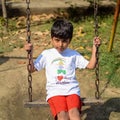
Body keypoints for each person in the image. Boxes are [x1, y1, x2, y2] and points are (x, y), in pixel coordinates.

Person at [25, 18, 101, 120]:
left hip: (72, 91)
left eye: (64, 41)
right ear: (52, 39)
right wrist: (30, 53)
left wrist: (95, 48)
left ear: (69, 40)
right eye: (57, 40)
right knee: (63, 116)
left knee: (75, 115)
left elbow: (91, 65)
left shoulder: (73, 54)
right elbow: (31, 69)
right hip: (55, 92)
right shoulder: (46, 54)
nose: (60, 44)